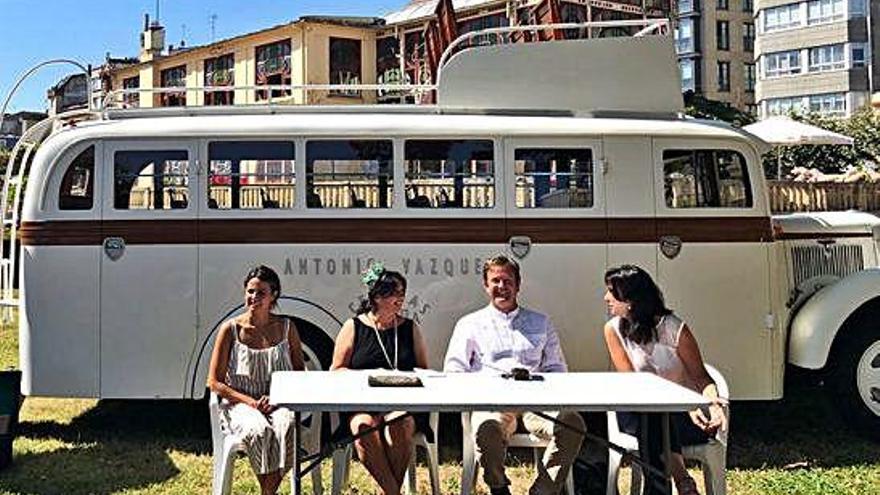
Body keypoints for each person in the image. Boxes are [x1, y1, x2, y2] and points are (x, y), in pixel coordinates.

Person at [444, 255, 585, 495]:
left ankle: (543, 491)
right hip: (493, 403)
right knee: (486, 429)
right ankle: (499, 488)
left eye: (507, 281)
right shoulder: (469, 324)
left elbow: (557, 369)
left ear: (518, 285)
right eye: (495, 281)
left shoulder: (541, 322)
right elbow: (454, 371)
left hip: (537, 402)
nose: (502, 287)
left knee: (573, 424)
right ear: (486, 285)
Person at [602, 264, 727, 495]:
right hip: (636, 411)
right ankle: (683, 482)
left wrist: (713, 404)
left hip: (682, 414)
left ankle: (660, 488)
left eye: (612, 292)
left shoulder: (673, 328)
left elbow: (701, 378)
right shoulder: (613, 330)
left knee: (658, 418)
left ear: (631, 300)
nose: (606, 298)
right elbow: (633, 385)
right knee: (652, 415)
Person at [330, 263, 429, 495]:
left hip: (402, 403)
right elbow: (336, 370)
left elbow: (424, 369)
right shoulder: (353, 326)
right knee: (363, 426)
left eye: (402, 293)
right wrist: (367, 377)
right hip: (362, 403)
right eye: (394, 293)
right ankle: (394, 492)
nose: (400, 298)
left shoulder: (410, 328)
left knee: (398, 423)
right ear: (377, 296)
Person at [206, 265, 306, 495]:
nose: (253, 298)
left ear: (274, 296)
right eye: (250, 291)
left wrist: (278, 398)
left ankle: (267, 492)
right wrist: (251, 402)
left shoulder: (286, 328)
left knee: (288, 427)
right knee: (259, 430)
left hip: (279, 402)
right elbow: (214, 382)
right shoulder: (230, 330)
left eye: (261, 293)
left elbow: (300, 373)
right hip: (240, 404)